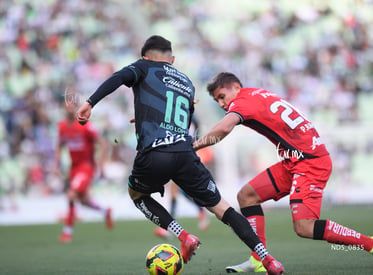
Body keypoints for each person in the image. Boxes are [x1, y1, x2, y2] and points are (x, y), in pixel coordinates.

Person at [75, 35, 284, 274]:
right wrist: (148, 116)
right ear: (171, 59)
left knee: (137, 194)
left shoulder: (142, 66)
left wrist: (90, 102)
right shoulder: (186, 82)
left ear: (145, 56)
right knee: (223, 209)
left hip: (154, 153)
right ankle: (268, 260)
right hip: (185, 153)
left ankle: (183, 235)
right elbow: (181, 119)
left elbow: (118, 78)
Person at [193, 72, 373, 273]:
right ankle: (259, 259)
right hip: (294, 160)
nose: (221, 103)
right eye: (216, 100)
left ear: (236, 87)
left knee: (304, 227)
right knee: (247, 196)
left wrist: (195, 145)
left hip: (310, 162)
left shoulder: (242, 102)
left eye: (222, 96)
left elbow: (224, 129)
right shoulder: (256, 94)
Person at [56, 101, 113, 243]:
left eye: (72, 105)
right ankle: (105, 211)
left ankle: (67, 231)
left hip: (86, 166)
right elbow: (59, 145)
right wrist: (56, 164)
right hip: (73, 167)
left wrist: (101, 164)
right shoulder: (62, 126)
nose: (69, 108)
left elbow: (102, 142)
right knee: (83, 201)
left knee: (71, 195)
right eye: (67, 105)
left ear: (76, 108)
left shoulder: (85, 125)